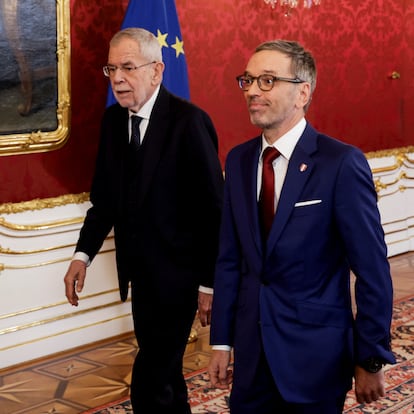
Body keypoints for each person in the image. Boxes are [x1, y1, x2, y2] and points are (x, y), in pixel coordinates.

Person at [208, 39, 395, 414]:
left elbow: (373, 270)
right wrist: (222, 342)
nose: (252, 91)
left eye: (267, 81)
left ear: (303, 92)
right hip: (251, 357)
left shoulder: (340, 163)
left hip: (315, 360)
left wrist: (371, 357)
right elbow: (230, 259)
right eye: (247, 80)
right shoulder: (240, 160)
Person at [64, 27, 224, 414]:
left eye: (128, 67)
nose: (117, 78)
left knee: (150, 376)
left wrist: (210, 283)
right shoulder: (112, 123)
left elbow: (214, 211)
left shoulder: (189, 123)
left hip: (181, 277)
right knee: (166, 374)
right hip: (138, 275)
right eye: (111, 68)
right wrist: (81, 255)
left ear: (157, 71)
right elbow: (103, 203)